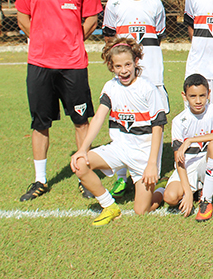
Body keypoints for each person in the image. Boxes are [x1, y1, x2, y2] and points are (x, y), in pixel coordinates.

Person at [16, 0, 102, 201]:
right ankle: (40, 180)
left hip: (73, 63)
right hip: (40, 62)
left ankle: (85, 176)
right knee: (41, 122)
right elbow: (22, 18)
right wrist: (42, 41)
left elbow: (91, 18)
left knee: (81, 119)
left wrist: (74, 39)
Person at [70, 37, 167, 226]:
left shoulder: (147, 88)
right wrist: (83, 148)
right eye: (118, 66)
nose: (124, 70)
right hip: (120, 148)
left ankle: (162, 187)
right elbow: (98, 118)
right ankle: (110, 207)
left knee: (141, 211)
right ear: (111, 66)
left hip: (143, 155)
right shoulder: (110, 87)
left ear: (136, 62)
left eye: (128, 64)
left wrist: (152, 164)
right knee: (80, 164)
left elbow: (158, 127)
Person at [103, 0, 168, 198]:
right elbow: (110, 38)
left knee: (155, 122)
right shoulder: (115, 4)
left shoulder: (155, 4)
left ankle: (154, 170)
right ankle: (121, 177)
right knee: (122, 121)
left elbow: (157, 35)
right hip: (124, 77)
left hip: (152, 73)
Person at [162, 74, 213, 221]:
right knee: (170, 198)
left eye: (202, 96)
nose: (198, 101)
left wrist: (191, 140)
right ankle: (197, 188)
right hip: (188, 166)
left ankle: (206, 200)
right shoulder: (179, 121)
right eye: (192, 96)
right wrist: (186, 193)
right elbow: (179, 161)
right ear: (184, 96)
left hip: (208, 161)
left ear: (208, 94)